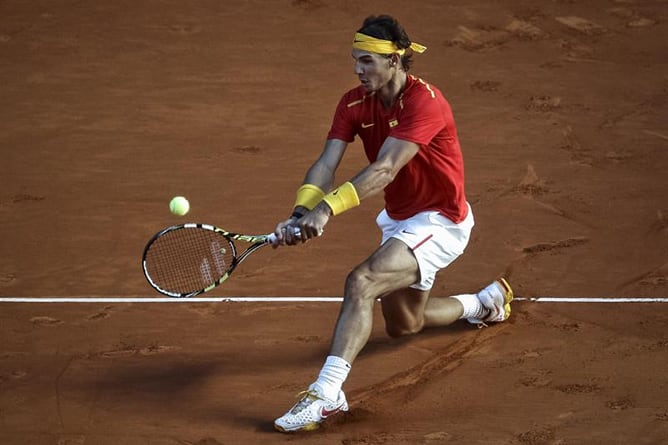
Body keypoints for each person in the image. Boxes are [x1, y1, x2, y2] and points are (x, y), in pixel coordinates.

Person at [272, 14, 513, 433]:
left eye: (367, 61)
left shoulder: (426, 102)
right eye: (355, 60)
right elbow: (326, 163)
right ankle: (484, 304)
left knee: (361, 281)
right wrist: (299, 211)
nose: (357, 69)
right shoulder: (352, 104)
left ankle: (327, 394)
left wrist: (325, 211)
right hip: (402, 220)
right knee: (405, 324)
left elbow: (385, 168)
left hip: (441, 221)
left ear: (396, 61)